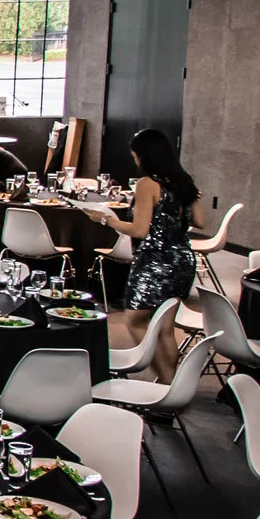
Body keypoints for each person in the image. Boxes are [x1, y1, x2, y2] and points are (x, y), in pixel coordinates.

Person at [82, 127, 202, 381]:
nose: (134, 160)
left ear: (144, 155)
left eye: (135, 155)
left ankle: (165, 379)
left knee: (135, 320)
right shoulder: (182, 181)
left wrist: (106, 220)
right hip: (182, 259)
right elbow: (201, 221)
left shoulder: (147, 184)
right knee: (165, 327)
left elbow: (139, 230)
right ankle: (171, 383)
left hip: (155, 260)